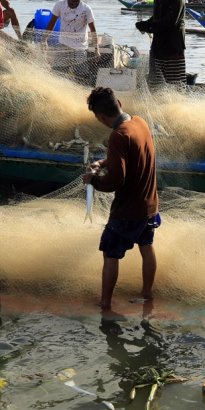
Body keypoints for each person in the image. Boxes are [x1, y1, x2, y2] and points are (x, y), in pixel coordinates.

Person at [82, 87, 160, 310]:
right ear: (119, 103)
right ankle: (147, 294)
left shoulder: (118, 135)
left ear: (100, 116)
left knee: (110, 253)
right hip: (150, 205)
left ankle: (105, 303)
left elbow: (116, 180)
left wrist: (93, 180)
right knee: (146, 246)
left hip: (128, 210)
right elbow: (131, 154)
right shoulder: (139, 123)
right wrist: (103, 162)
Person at [135, 0, 186, 89]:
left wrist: (149, 27)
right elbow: (156, 18)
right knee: (155, 85)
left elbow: (170, 22)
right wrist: (145, 23)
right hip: (158, 48)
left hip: (173, 49)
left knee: (175, 86)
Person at [44, 0, 100, 84]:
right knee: (58, 76)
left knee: (81, 79)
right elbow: (51, 24)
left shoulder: (86, 9)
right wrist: (44, 40)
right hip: (64, 46)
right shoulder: (60, 5)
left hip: (80, 48)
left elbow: (93, 30)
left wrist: (96, 48)